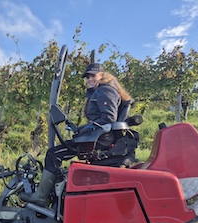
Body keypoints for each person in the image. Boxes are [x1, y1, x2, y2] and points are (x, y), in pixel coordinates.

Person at [21, 63, 132, 206]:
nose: (89, 79)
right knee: (57, 153)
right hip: (99, 137)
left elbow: (108, 118)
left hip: (99, 140)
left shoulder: (105, 91)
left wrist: (84, 130)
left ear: (102, 76)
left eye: (93, 76)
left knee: (53, 154)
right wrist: (81, 130)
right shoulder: (102, 90)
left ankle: (41, 197)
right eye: (87, 77)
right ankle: (51, 193)